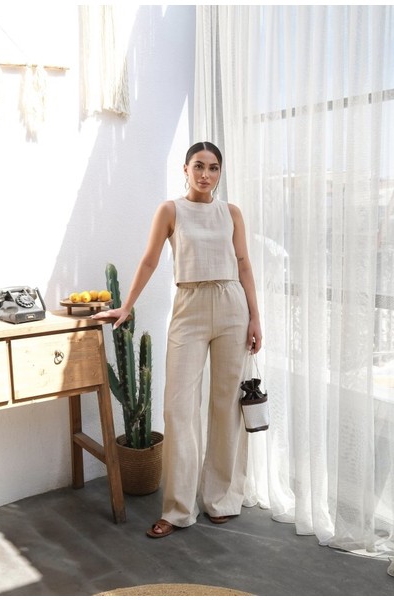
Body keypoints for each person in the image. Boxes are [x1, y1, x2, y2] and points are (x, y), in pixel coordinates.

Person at [93, 141, 262, 538]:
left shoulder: (231, 213)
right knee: (178, 409)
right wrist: (126, 305)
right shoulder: (170, 210)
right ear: (185, 169)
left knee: (226, 406)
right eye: (198, 166)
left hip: (232, 305)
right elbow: (150, 259)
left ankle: (221, 500)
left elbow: (243, 264)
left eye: (214, 167)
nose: (206, 174)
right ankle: (178, 509)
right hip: (189, 305)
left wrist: (256, 317)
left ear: (220, 173)